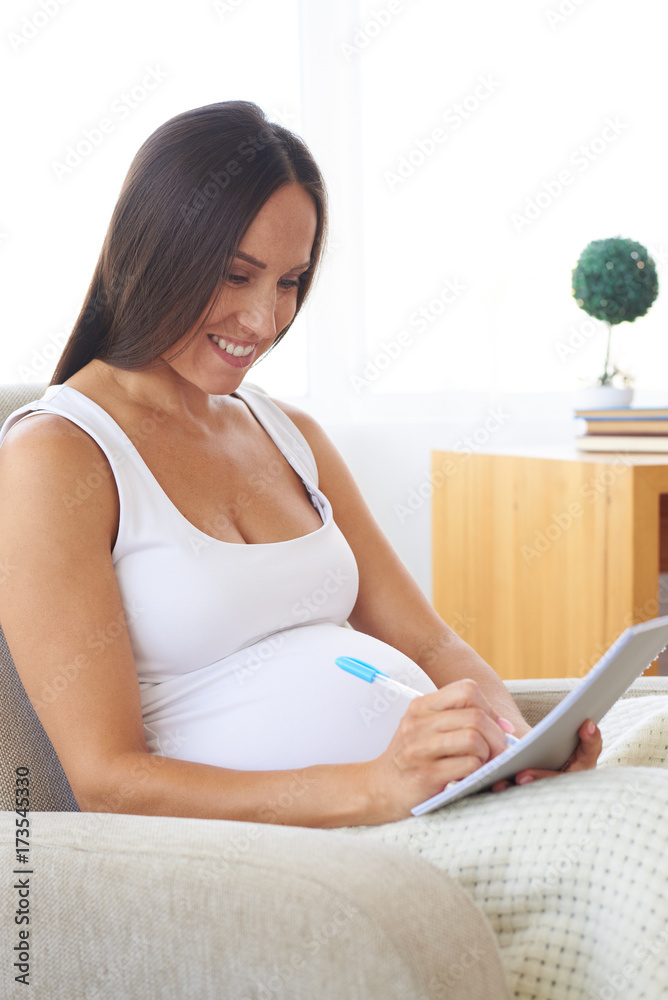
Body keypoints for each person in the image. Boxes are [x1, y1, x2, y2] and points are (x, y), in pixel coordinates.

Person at [0, 101, 601, 831]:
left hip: (434, 807)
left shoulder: (289, 436)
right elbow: (107, 782)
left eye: (289, 282)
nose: (264, 321)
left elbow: (430, 643)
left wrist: (517, 745)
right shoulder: (57, 456)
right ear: (150, 252)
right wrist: (371, 787)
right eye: (235, 275)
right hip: (304, 853)